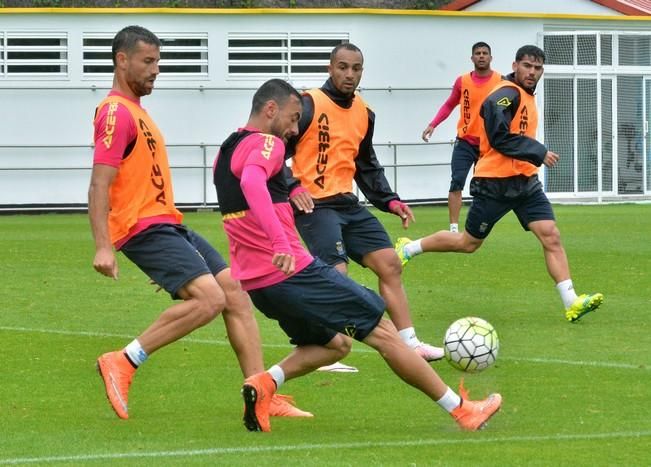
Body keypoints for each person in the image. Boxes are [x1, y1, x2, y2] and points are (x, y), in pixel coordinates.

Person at [213, 78, 502, 433]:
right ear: (270, 109)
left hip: (260, 285)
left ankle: (265, 384)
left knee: (335, 344)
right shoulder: (266, 143)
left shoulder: (227, 148)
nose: (293, 129)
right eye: (291, 118)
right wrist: (280, 243)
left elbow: (244, 197)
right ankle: (463, 411)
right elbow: (252, 184)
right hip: (291, 274)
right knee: (384, 333)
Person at [88, 25, 311, 421]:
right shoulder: (114, 112)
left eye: (158, 61)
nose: (156, 69)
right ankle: (124, 360)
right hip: (143, 227)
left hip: (167, 224)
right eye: (148, 61)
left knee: (234, 293)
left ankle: (261, 392)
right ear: (122, 60)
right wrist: (103, 246)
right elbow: (99, 183)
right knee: (210, 299)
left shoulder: (137, 112)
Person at [396, 45, 604, 323]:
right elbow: (498, 137)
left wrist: (532, 158)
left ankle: (571, 302)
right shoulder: (506, 94)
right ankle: (409, 248)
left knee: (550, 234)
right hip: (494, 183)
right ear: (515, 65)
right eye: (527, 66)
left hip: (526, 183)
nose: (532, 72)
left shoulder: (526, 96)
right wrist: (538, 151)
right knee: (468, 243)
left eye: (537, 68)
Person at [284, 43, 443, 363]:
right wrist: (290, 186)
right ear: (330, 68)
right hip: (314, 205)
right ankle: (323, 347)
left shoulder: (365, 113)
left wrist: (390, 200)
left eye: (356, 68)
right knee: (336, 274)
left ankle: (410, 344)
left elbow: (366, 164)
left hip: (348, 204)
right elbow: (275, 148)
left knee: (390, 264)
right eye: (342, 67)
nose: (349, 74)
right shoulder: (308, 103)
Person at [421, 41, 502, 233]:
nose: (481, 56)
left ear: (491, 58)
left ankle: (478, 226)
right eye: (477, 53)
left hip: (488, 145)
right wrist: (433, 124)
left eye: (485, 53)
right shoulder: (462, 81)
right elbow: (449, 104)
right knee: (457, 181)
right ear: (472, 58)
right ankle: (454, 228)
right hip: (465, 141)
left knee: (484, 186)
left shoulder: (501, 81)